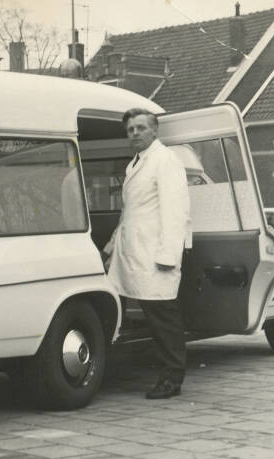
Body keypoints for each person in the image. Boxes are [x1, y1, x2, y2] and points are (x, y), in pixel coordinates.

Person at [102, 108, 191, 399]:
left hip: (155, 254)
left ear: (154, 130)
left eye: (140, 128)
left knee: (162, 317)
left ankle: (172, 379)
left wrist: (168, 255)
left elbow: (176, 213)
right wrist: (111, 246)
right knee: (147, 315)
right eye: (130, 130)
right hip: (134, 252)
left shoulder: (165, 161)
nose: (135, 133)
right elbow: (129, 213)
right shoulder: (136, 164)